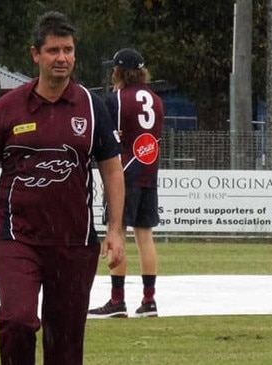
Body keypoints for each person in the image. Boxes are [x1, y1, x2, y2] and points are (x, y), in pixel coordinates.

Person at [0, 11, 126, 365]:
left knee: (65, 343)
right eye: (53, 50)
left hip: (75, 242)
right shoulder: (8, 108)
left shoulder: (92, 107)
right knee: (17, 320)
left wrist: (115, 229)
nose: (62, 58)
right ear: (35, 54)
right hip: (18, 237)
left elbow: (112, 171)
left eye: (68, 50)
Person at [87, 48, 165, 319]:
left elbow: (112, 137)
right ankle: (149, 300)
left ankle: (117, 300)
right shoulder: (156, 100)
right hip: (149, 173)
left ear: (120, 71)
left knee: (116, 231)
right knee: (145, 236)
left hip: (123, 174)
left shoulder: (117, 98)